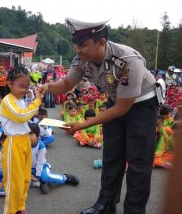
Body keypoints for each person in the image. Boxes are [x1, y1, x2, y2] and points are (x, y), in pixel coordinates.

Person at [39, 18, 158, 214]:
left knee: (138, 164)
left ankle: (134, 210)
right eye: (76, 45)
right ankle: (105, 204)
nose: (77, 50)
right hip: (116, 102)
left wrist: (83, 124)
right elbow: (67, 83)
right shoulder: (82, 59)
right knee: (111, 157)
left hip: (141, 106)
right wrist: (47, 87)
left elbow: (122, 109)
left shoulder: (128, 60)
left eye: (83, 45)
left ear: (101, 43)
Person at [0, 64, 42, 214]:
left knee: (25, 179)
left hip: (25, 141)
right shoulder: (7, 100)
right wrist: (37, 102)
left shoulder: (20, 99)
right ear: (9, 84)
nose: (24, 89)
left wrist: (33, 104)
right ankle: (10, 211)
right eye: (20, 86)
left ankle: (20, 208)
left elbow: (24, 114)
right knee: (14, 183)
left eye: (26, 86)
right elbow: (20, 116)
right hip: (13, 143)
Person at [28, 123, 79, 194]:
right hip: (28, 169)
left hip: (41, 167)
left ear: (37, 135)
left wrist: (38, 176)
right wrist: (27, 174)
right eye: (25, 134)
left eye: (31, 134)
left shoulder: (41, 146)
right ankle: (40, 184)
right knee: (16, 180)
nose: (28, 137)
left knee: (45, 177)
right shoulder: (23, 145)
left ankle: (65, 178)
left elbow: (40, 163)